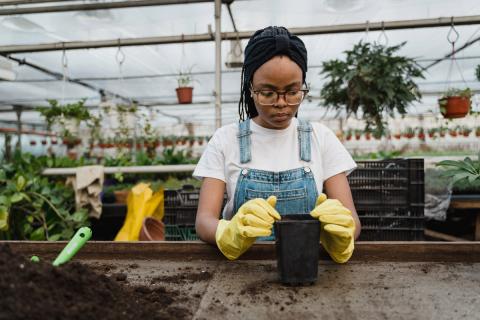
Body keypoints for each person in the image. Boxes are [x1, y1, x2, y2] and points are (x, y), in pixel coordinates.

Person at [193, 26, 361, 263]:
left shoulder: (320, 137)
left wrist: (342, 233)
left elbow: (352, 220)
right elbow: (204, 221)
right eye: (268, 93)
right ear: (250, 88)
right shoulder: (225, 139)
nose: (281, 103)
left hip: (306, 266)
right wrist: (227, 232)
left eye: (292, 92)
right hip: (243, 270)